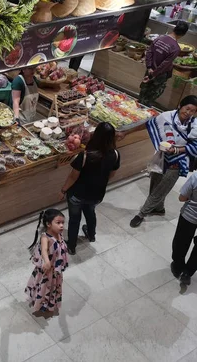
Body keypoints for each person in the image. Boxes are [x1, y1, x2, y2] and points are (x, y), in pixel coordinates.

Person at [130, 95, 197, 228]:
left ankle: (142, 214)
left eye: (193, 111)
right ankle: (159, 208)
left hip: (178, 162)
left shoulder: (194, 126)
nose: (188, 113)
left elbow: (195, 147)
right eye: (187, 108)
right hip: (161, 157)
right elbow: (149, 123)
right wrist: (126, 133)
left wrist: (177, 151)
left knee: (160, 190)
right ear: (180, 106)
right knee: (155, 184)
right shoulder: (166, 117)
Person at [58, 122, 120, 254]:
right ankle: (91, 234)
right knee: (90, 212)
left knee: (74, 219)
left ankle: (72, 245)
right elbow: (111, 175)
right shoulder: (115, 154)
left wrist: (63, 190)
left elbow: (73, 177)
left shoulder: (85, 155)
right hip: (97, 194)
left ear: (96, 135)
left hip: (77, 194)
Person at [25, 209, 68, 315]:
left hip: (55, 271)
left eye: (62, 223)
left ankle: (49, 303)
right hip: (47, 270)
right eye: (58, 223)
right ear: (48, 224)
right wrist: (47, 261)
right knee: (44, 287)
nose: (61, 226)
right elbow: (44, 250)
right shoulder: (45, 237)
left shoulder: (58, 234)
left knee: (53, 287)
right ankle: (41, 303)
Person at [139, 22, 188, 106]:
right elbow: (165, 64)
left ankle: (136, 109)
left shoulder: (159, 38)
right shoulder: (176, 48)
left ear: (174, 29)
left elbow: (149, 52)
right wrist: (154, 74)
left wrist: (149, 67)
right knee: (150, 97)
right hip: (159, 75)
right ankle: (142, 112)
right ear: (183, 34)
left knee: (143, 93)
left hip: (149, 71)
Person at [173, 172, 197, 285]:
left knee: (181, 242)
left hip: (189, 215)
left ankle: (178, 267)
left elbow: (182, 198)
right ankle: (188, 272)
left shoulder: (196, 176)